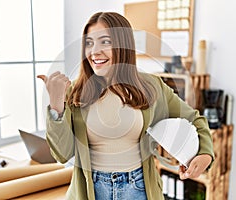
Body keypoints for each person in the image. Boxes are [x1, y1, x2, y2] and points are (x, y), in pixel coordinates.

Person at [38, 12, 214, 200]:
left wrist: (205, 154)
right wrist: (56, 106)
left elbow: (195, 119)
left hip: (138, 189)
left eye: (105, 42)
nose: (94, 51)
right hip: (92, 191)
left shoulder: (151, 86)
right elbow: (63, 155)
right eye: (89, 43)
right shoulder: (75, 92)